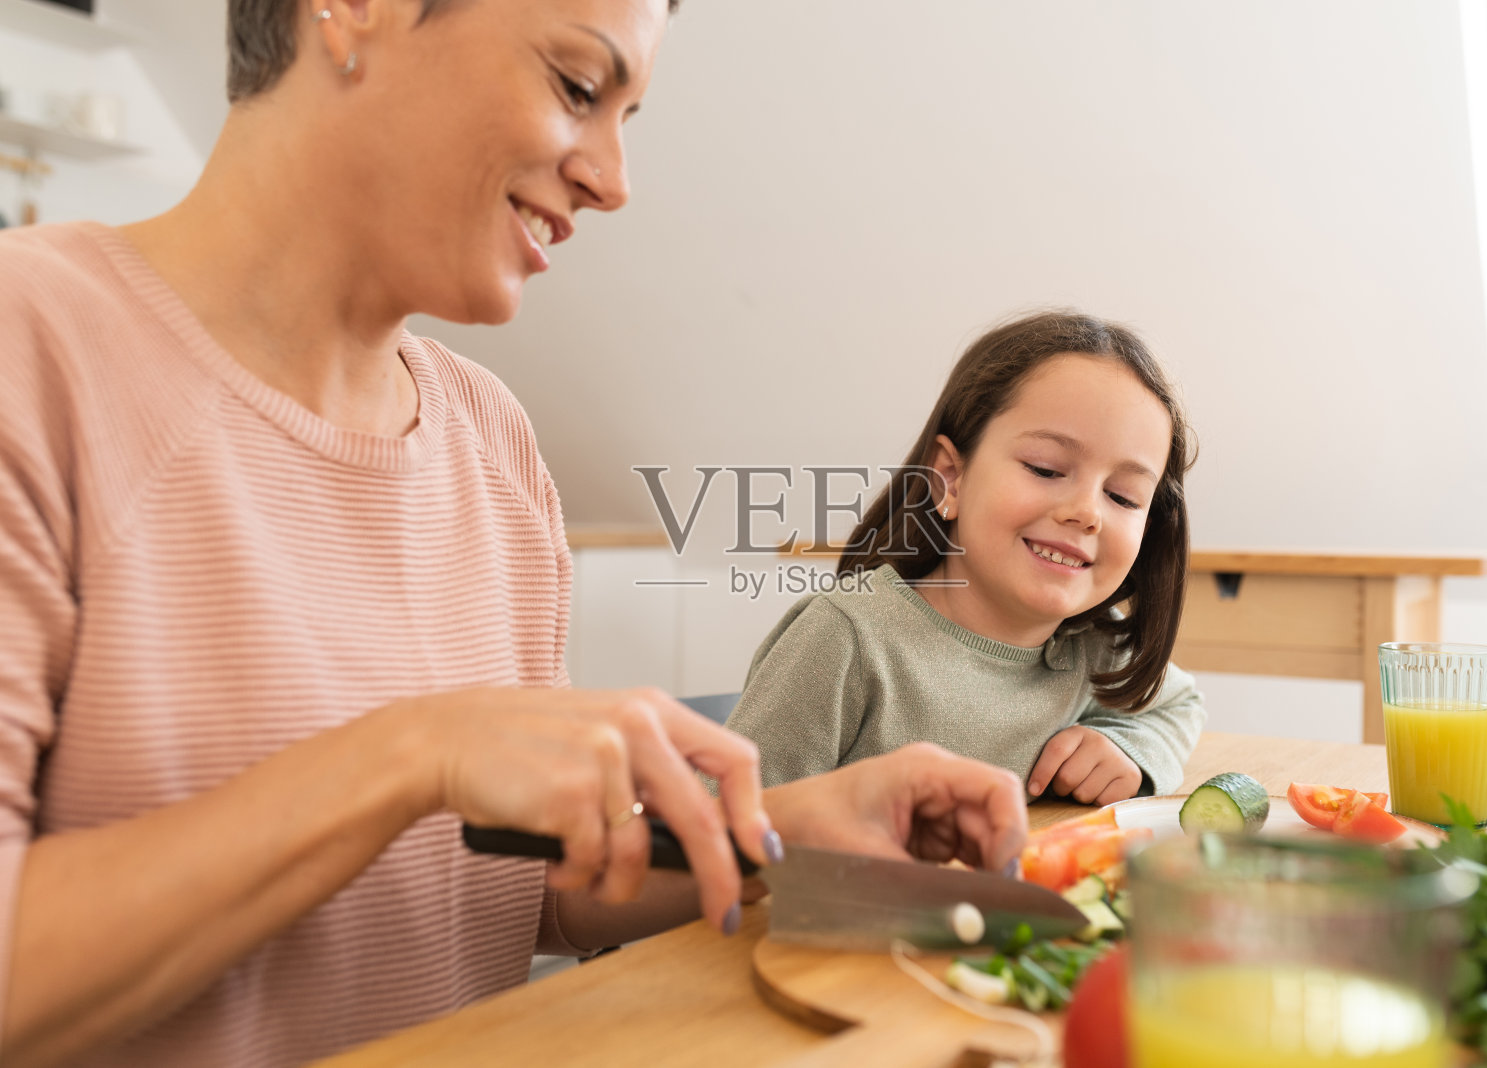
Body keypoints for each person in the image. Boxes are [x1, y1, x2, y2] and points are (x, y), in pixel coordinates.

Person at [0, 2, 1033, 1066]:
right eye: (578, 88)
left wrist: (783, 834)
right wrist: (412, 752)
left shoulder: (491, 438)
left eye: (628, 114)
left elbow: (508, 892)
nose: (614, 179)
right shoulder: (31, 348)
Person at [725, 310, 1206, 802]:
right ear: (950, 478)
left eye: (1123, 497)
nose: (1087, 513)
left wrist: (1127, 747)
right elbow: (712, 824)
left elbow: (1180, 705)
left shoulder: (1092, 647)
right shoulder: (846, 640)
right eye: (1045, 469)